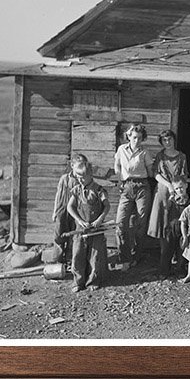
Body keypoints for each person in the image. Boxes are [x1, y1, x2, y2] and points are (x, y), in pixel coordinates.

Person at [65, 157, 110, 293]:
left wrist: (99, 220)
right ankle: (78, 282)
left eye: (83, 177)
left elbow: (106, 207)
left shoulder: (98, 190)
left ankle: (93, 281)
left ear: (91, 175)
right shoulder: (77, 190)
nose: (80, 180)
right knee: (78, 254)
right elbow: (70, 207)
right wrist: (79, 220)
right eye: (78, 177)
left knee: (95, 256)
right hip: (81, 229)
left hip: (96, 228)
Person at [113, 122, 153, 263]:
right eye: (134, 137)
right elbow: (117, 165)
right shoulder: (121, 149)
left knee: (141, 222)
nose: (137, 141)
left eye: (140, 138)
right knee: (121, 222)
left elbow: (150, 172)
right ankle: (124, 257)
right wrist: (120, 178)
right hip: (126, 187)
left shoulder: (145, 152)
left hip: (142, 186)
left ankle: (136, 255)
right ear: (129, 136)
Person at [147, 130, 188, 241]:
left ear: (174, 139)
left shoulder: (181, 157)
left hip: (177, 191)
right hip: (163, 190)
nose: (167, 142)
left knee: (176, 219)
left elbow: (184, 175)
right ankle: (164, 251)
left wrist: (178, 188)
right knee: (163, 219)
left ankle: (177, 251)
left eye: (169, 139)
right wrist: (168, 185)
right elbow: (155, 173)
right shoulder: (160, 156)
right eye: (164, 140)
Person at [52, 153, 88, 248]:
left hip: (76, 211)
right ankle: (58, 258)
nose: (82, 168)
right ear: (72, 166)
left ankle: (70, 257)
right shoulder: (65, 179)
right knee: (59, 233)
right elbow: (58, 195)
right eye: (80, 165)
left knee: (73, 234)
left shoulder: (83, 180)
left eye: (84, 165)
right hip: (62, 209)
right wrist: (55, 212)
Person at [159, 178, 189, 274]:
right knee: (167, 250)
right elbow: (165, 212)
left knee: (182, 250)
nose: (179, 190)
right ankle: (164, 271)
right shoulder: (172, 201)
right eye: (176, 189)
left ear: (186, 186)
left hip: (183, 229)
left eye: (181, 187)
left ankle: (180, 270)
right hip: (171, 228)